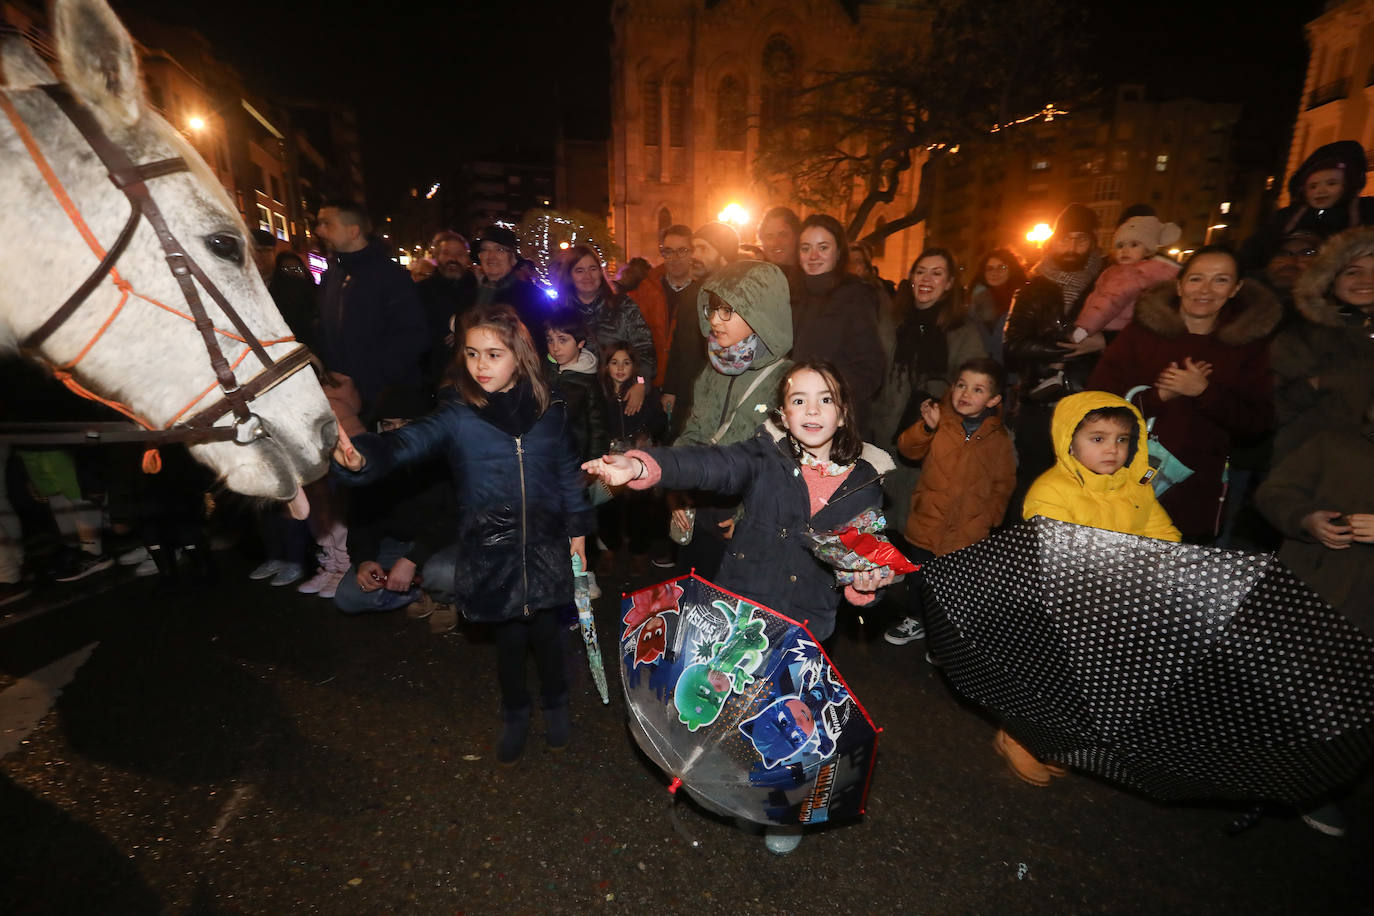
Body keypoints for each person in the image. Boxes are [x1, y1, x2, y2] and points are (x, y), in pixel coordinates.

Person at [583, 360, 896, 854]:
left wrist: (866, 583)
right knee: (727, 700)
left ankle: (782, 816)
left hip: (805, 628)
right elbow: (710, 465)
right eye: (798, 400)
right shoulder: (764, 456)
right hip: (745, 610)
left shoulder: (865, 484)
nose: (811, 410)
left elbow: (865, 560)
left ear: (843, 413)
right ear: (782, 412)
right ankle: (718, 771)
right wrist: (646, 465)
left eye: (825, 399)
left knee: (789, 725)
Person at [331, 305, 594, 766]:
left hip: (548, 544)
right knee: (509, 639)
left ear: (520, 355)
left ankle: (556, 703)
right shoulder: (458, 413)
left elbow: (568, 471)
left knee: (548, 634)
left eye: (493, 354)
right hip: (492, 549)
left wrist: (578, 531)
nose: (480, 365)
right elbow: (406, 442)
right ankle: (515, 712)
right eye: (471, 353)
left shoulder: (550, 409)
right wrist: (362, 458)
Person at [994, 391, 1181, 786]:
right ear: (1070, 441)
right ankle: (1018, 737)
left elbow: (1162, 532)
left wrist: (1163, 559)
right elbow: (1057, 551)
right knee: (1045, 677)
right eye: (1097, 438)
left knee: (1085, 686)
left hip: (1113, 608)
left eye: (1122, 439)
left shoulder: (1135, 486)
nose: (1112, 449)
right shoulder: (1053, 490)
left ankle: (1051, 740)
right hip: (1060, 607)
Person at [1088, 246, 1281, 541]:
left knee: (1176, 583)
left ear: (1235, 289)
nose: (1205, 290)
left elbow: (1257, 423)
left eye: (1220, 280)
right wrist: (1156, 398)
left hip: (1196, 493)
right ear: (1179, 284)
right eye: (1196, 279)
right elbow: (1094, 405)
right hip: (1125, 482)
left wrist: (1204, 392)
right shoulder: (1142, 334)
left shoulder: (1247, 346)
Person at [668, 259, 793, 579]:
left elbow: (783, 465)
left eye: (728, 311)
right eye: (712, 309)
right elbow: (694, 431)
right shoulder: (714, 368)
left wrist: (747, 515)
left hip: (745, 523)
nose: (714, 320)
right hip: (699, 507)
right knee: (692, 602)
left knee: (735, 615)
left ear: (760, 314)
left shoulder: (788, 381)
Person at [884, 358, 1017, 647]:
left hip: (967, 532)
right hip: (927, 521)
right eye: (961, 385)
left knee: (952, 589)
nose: (966, 394)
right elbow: (908, 448)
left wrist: (992, 518)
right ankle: (916, 620)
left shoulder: (999, 440)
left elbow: (1004, 483)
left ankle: (943, 639)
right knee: (919, 580)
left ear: (993, 399)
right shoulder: (940, 420)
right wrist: (927, 429)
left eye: (978, 389)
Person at [1003, 203, 1108, 518]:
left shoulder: (1108, 285)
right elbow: (1012, 345)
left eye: (1080, 239)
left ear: (1093, 242)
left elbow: (1134, 340)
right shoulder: (1033, 288)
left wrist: (1103, 342)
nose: (1072, 246)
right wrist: (1065, 351)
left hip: (1090, 404)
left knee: (1083, 493)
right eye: (1066, 238)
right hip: (1040, 404)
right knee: (1031, 486)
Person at [871, 248, 986, 518]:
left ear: (948, 284)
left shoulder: (962, 330)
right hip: (883, 430)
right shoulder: (891, 320)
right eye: (920, 271)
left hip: (930, 438)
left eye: (937, 274)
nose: (926, 279)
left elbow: (976, 383)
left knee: (914, 517)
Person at [332, 390, 458, 634]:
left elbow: (457, 519)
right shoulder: (373, 460)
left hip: (442, 544)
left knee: (444, 573)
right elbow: (361, 520)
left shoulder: (445, 458)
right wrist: (364, 559)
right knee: (348, 598)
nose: (397, 431)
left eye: (406, 424)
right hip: (395, 544)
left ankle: (446, 598)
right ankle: (418, 591)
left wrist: (414, 559)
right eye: (388, 424)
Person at [1271, 227, 1374, 459]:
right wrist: (1317, 384)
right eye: (1352, 272)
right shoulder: (1303, 337)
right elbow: (1271, 409)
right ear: (1330, 279)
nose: (1366, 280)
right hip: (1310, 472)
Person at [790, 214, 887, 434]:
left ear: (839, 252)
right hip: (795, 417)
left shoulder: (855, 297)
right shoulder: (792, 295)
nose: (813, 256)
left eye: (823, 247)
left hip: (836, 423)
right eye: (805, 248)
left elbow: (870, 369)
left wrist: (826, 396)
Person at [555, 244, 657, 415]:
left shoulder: (623, 306)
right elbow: (549, 358)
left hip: (621, 400)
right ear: (570, 276)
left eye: (592, 268)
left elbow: (645, 349)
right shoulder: (559, 313)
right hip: (578, 404)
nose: (587, 276)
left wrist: (641, 383)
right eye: (579, 270)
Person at [1242, 140, 1374, 271]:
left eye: (1331, 183)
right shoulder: (1286, 217)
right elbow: (1256, 250)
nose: (1321, 191)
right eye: (1313, 186)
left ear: (1348, 185)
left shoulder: (1366, 211)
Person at [597, 341, 668, 578]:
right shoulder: (600, 392)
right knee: (607, 508)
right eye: (614, 362)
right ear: (606, 366)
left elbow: (660, 422)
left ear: (634, 367)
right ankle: (609, 551)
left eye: (626, 363)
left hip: (637, 459)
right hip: (609, 459)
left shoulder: (643, 391)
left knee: (639, 509)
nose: (619, 368)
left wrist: (645, 433)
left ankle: (639, 553)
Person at [1072, 215, 1182, 341]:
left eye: (1134, 245)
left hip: (1108, 329)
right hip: (1115, 330)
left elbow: (1110, 300)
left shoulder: (1130, 274)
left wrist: (1084, 327)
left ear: (1148, 250)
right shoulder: (1127, 270)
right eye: (1120, 246)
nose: (1125, 250)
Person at [542, 308, 608, 465]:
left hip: (573, 461)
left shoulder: (589, 383)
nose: (555, 347)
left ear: (580, 342)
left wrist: (592, 467)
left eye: (562, 340)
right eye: (550, 340)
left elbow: (598, 431)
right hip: (544, 455)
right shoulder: (543, 370)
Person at [416, 231, 477, 392]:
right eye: (446, 253)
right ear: (436, 256)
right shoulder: (420, 291)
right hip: (432, 376)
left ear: (467, 258)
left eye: (459, 254)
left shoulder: (480, 291)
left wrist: (464, 332)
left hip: (473, 375)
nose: (453, 259)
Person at [471, 225, 548, 338]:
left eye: (500, 250)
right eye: (485, 250)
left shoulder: (532, 297)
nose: (491, 256)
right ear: (479, 256)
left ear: (513, 259)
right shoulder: (468, 295)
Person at [967, 248, 1027, 363]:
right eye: (989, 269)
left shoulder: (1022, 300)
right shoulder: (974, 301)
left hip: (1012, 373)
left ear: (1012, 269)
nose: (994, 273)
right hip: (979, 371)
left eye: (1002, 267)